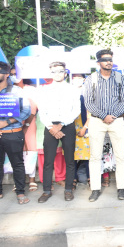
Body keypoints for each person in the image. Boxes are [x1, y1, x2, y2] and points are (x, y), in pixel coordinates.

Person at [83, 49, 124, 202]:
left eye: (110, 59)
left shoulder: (120, 78)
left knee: (121, 156)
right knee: (95, 157)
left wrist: (113, 116)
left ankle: (121, 189)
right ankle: (95, 189)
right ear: (98, 63)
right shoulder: (91, 79)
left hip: (116, 121)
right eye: (105, 59)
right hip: (97, 121)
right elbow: (88, 102)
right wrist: (104, 116)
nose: (108, 62)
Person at [37, 62, 80, 203]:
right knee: (48, 160)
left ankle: (68, 190)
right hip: (50, 125)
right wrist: (52, 128)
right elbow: (42, 111)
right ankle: (46, 191)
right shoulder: (44, 90)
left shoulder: (73, 89)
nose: (57, 74)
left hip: (67, 125)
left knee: (69, 160)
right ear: (50, 73)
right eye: (54, 71)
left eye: (60, 71)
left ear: (65, 73)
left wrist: (61, 125)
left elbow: (76, 110)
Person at [0, 61, 31, 204]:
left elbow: (26, 111)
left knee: (17, 164)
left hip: (13, 133)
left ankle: (20, 193)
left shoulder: (16, 91)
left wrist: (6, 122)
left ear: (7, 74)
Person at [72, 74, 90, 186]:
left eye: (79, 78)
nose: (77, 80)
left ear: (84, 80)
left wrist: (85, 128)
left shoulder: (88, 92)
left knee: (89, 154)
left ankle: (90, 177)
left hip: (86, 125)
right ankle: (73, 178)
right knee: (71, 154)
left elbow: (91, 112)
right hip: (71, 125)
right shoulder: (68, 91)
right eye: (75, 78)